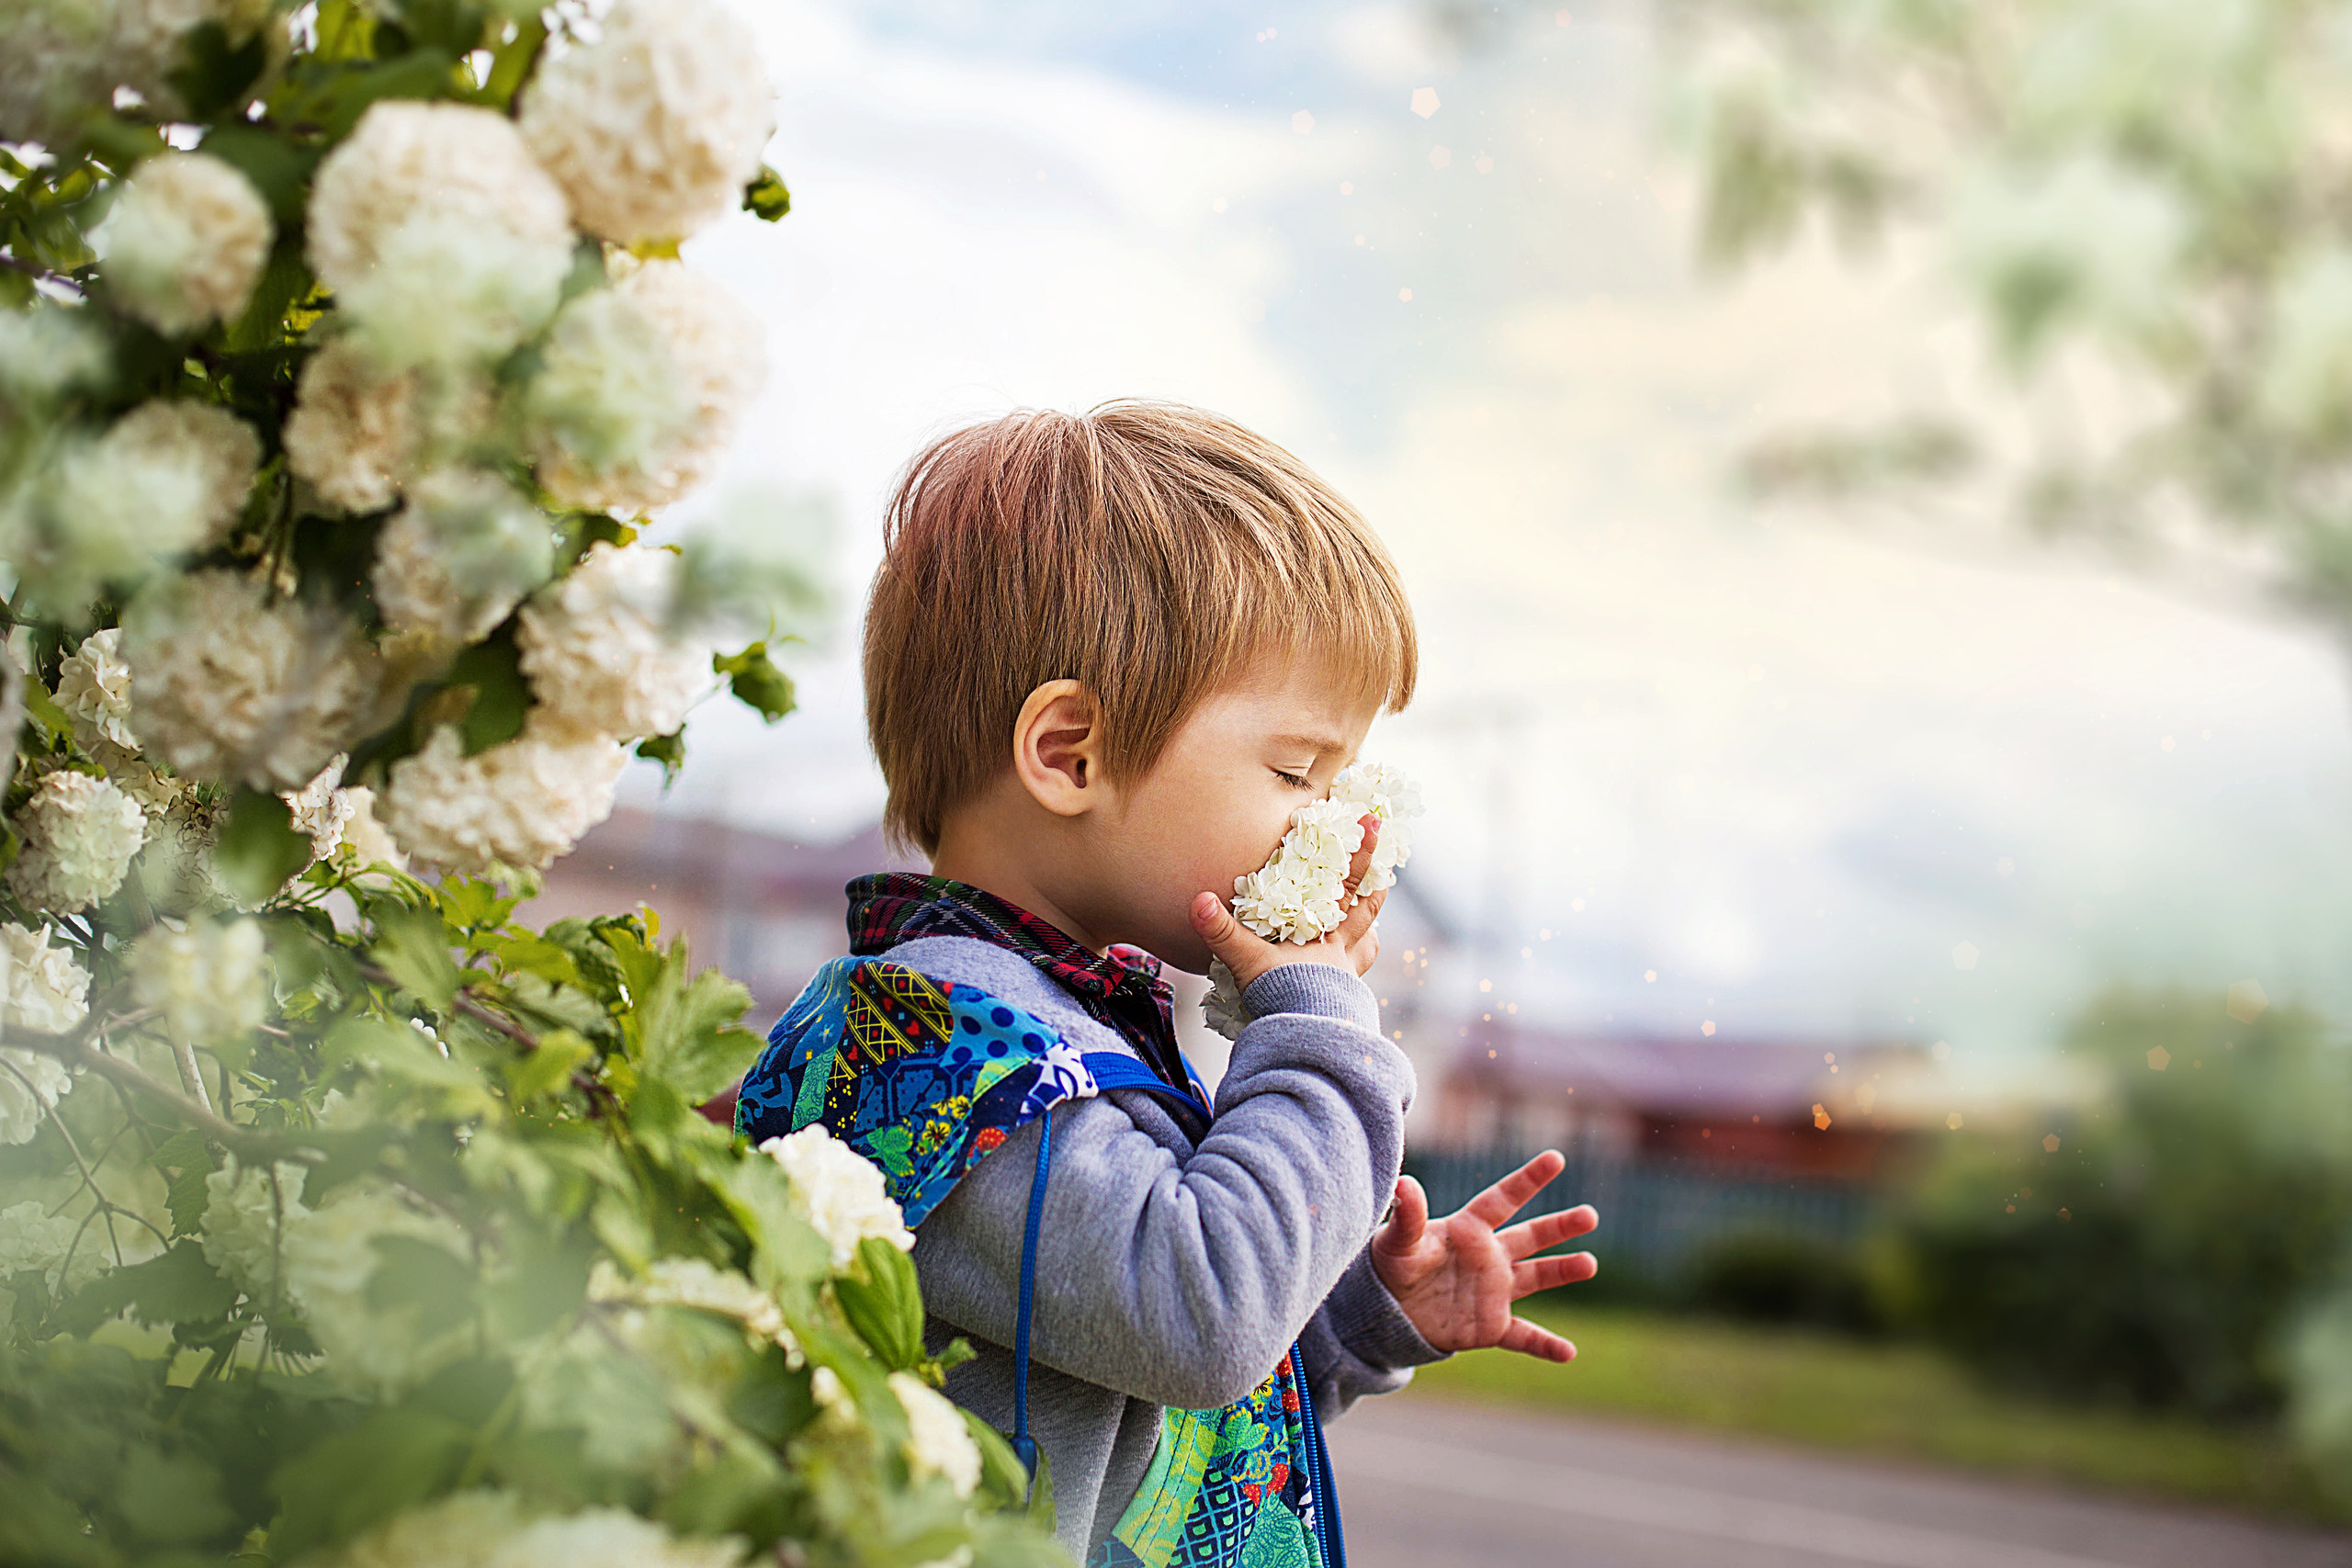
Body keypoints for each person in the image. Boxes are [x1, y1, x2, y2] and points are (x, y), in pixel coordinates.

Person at [735, 401, 1599, 1566]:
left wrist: (1354, 1319)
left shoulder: (1074, 1025)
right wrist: (1319, 1025)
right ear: (1069, 754)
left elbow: (1146, 1398)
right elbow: (1198, 1315)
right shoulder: (932, 1046)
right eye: (1297, 770)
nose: (1337, 820)